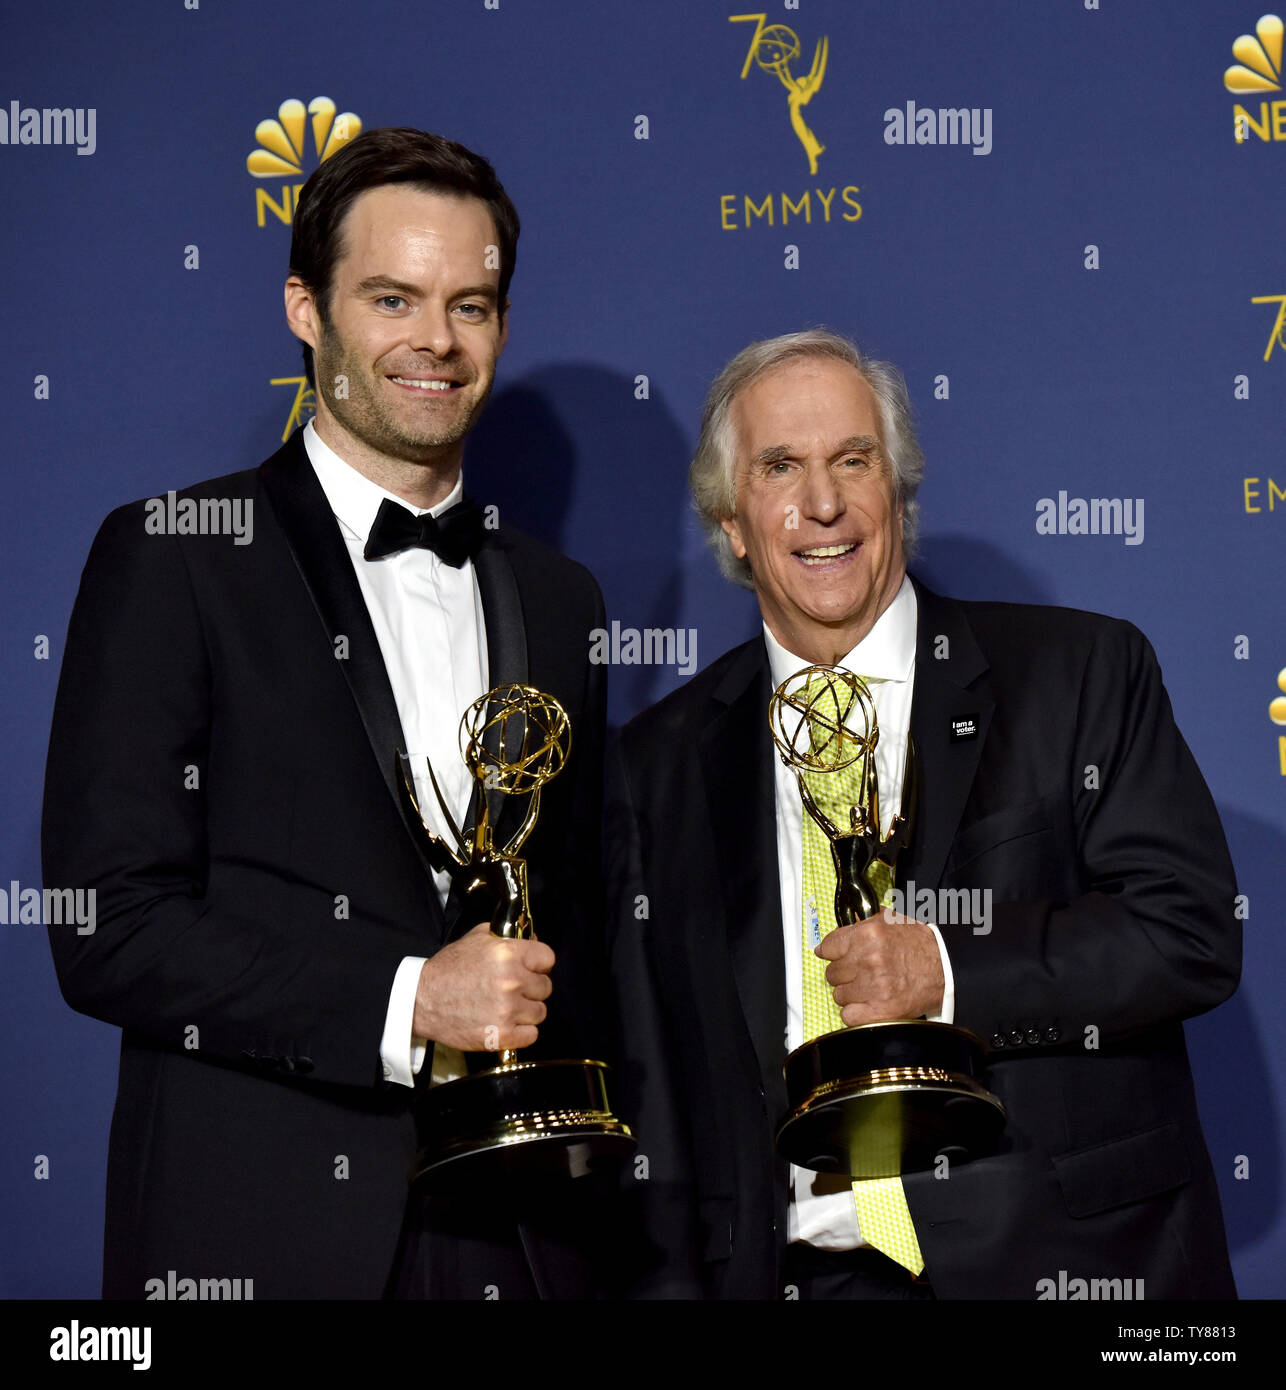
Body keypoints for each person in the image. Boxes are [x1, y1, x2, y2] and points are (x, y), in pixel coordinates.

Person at [42, 127, 608, 1299]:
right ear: (304, 306)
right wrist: (408, 1000)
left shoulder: (558, 597)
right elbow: (109, 924)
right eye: (391, 297)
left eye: (472, 303)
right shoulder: (176, 557)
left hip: (516, 1237)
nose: (436, 342)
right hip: (260, 1234)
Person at [606, 328, 1239, 1300]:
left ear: (896, 489)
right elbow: (653, 1087)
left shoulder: (1075, 674)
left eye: (851, 461)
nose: (821, 503)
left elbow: (1186, 930)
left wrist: (945, 970)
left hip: (1069, 1268)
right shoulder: (655, 766)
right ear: (732, 519)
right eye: (780, 467)